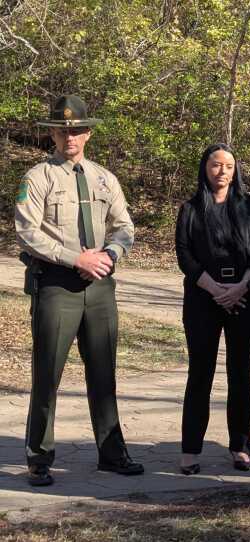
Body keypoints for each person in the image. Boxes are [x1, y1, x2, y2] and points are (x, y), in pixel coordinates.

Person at [15, 94, 143, 486]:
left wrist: (110, 254)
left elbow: (124, 225)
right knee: (48, 372)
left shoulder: (105, 178)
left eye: (76, 130)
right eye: (62, 131)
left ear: (88, 133)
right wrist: (76, 258)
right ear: (52, 134)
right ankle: (39, 457)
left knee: (104, 372)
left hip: (100, 286)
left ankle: (112, 454)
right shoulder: (38, 178)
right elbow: (27, 232)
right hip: (57, 285)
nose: (69, 137)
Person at [175, 143, 250, 475]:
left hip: (244, 298)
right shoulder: (190, 208)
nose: (222, 171)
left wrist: (241, 287)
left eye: (228, 165)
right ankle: (190, 450)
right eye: (216, 165)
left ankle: (240, 447)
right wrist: (215, 290)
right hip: (202, 299)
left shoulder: (249, 206)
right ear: (205, 168)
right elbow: (184, 255)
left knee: (240, 374)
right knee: (200, 374)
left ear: (235, 170)